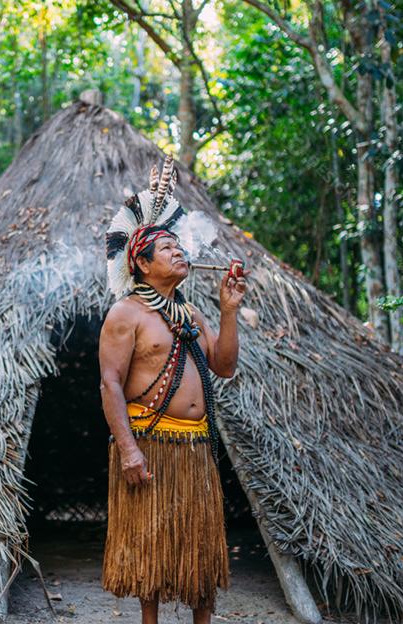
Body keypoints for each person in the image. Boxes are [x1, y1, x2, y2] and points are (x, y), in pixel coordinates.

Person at [98, 157, 246, 624]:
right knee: (151, 554)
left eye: (180, 246)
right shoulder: (126, 315)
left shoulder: (193, 315)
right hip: (150, 446)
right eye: (167, 248)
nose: (180, 253)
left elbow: (223, 367)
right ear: (141, 263)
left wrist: (227, 312)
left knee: (199, 556)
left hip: (196, 447)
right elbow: (110, 384)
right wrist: (128, 450)